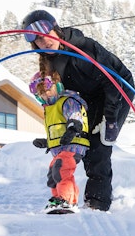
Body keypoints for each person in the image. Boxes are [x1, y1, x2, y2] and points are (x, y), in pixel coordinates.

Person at [21, 9, 134, 212]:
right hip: (86, 98)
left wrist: (110, 119)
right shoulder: (50, 60)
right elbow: (57, 101)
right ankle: (69, 196)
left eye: (47, 35)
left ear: (56, 29)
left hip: (116, 90)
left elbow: (112, 82)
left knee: (99, 143)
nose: (44, 42)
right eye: (37, 40)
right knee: (81, 138)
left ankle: (97, 202)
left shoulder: (83, 49)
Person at [29, 71, 90, 213]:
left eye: (48, 89)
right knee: (53, 173)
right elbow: (57, 131)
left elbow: (75, 116)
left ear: (58, 86)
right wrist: (47, 142)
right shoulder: (49, 110)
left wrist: (73, 128)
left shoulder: (68, 101)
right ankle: (59, 198)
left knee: (61, 168)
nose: (46, 95)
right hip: (62, 147)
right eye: (41, 94)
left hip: (74, 143)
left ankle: (65, 200)